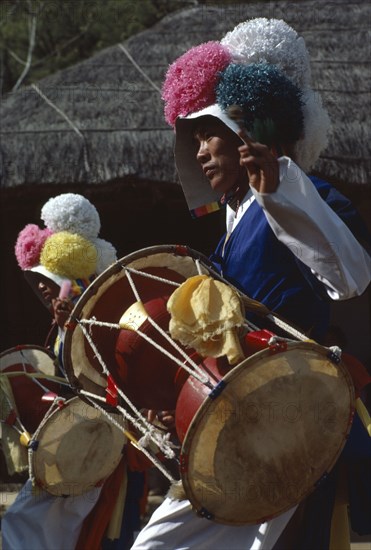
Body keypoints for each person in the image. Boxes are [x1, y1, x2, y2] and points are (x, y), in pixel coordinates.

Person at [132, 18, 371, 550]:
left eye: (206, 134)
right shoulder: (234, 220)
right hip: (234, 422)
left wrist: (283, 192)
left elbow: (350, 278)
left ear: (246, 132)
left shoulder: (307, 195)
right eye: (192, 138)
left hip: (290, 417)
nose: (197, 151)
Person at [3, 193, 145, 550]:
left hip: (97, 444)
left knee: (30, 526)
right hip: (80, 442)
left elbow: (107, 376)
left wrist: (77, 328)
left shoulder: (100, 321)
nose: (41, 288)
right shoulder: (67, 326)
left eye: (48, 280)